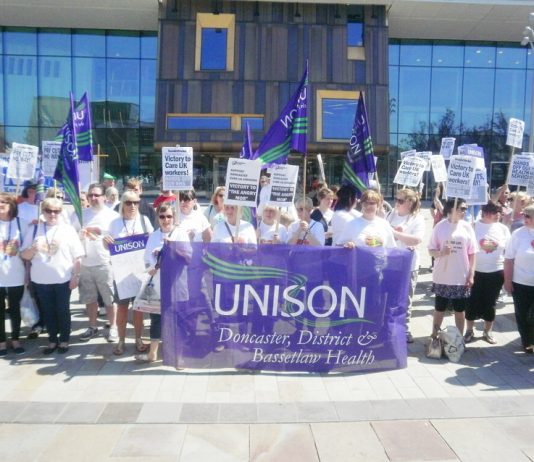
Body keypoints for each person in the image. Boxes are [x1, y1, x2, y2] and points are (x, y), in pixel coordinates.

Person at [20, 197, 84, 354]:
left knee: (62, 310)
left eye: (56, 211)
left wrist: (75, 276)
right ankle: (52, 340)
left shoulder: (68, 230)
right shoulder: (35, 229)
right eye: (48, 211)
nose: (52, 214)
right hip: (40, 279)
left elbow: (78, 256)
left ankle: (64, 340)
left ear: (61, 212)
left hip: (63, 278)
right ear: (43, 212)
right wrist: (34, 248)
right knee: (47, 311)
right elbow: (24, 255)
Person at [138, 203, 191, 362]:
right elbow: (146, 260)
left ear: (174, 218)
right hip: (158, 285)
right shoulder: (153, 236)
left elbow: (188, 258)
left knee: (178, 320)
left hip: (177, 285)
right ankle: (153, 353)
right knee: (156, 319)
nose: (166, 220)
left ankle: (179, 355)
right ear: (158, 218)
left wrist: (172, 247)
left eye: (169, 216)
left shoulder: (181, 234)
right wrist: (152, 267)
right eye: (162, 216)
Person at [106, 191, 154, 355]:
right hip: (121, 274)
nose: (132, 206)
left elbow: (152, 243)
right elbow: (108, 245)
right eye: (128, 203)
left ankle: (138, 339)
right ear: (122, 204)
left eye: (135, 202)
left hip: (140, 273)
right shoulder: (114, 223)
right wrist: (106, 241)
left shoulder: (144, 220)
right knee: (122, 308)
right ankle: (120, 340)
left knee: (139, 308)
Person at [428, 198, 477, 338]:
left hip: (460, 276)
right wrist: (441, 253)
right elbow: (431, 250)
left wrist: (471, 273)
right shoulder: (440, 226)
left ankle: (459, 338)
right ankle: (434, 336)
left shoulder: (467, 227)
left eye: (465, 209)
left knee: (459, 310)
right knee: (439, 308)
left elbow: (473, 252)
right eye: (462, 208)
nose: (464, 211)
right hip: (442, 275)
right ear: (451, 209)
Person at [78, 184, 120, 344]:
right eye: (91, 195)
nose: (93, 198)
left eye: (96, 195)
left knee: (109, 298)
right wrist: (79, 235)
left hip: (105, 263)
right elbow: (70, 234)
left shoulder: (113, 216)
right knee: (90, 298)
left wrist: (105, 236)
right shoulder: (80, 214)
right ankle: (93, 326)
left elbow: (118, 238)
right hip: (85, 263)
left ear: (104, 197)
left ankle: (114, 327)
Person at [465, 201, 510, 344]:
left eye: (500, 212)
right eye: (496, 212)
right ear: (486, 213)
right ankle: (469, 330)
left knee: (490, 302)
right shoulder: (473, 227)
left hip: (496, 271)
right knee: (472, 301)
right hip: (476, 271)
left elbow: (508, 250)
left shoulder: (503, 228)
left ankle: (487, 331)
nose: (499, 215)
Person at [386, 188, 425, 343]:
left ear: (409, 203)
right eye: (396, 199)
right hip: (390, 263)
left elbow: (416, 240)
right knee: (390, 298)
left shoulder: (417, 219)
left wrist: (394, 233)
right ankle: (388, 327)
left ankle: (405, 329)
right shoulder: (391, 215)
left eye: (400, 200)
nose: (397, 203)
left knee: (405, 300)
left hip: (408, 265)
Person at [0, 193, 28, 356]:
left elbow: (27, 249)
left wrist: (28, 274)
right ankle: (2, 342)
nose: (1, 204)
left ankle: (16, 339)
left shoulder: (21, 224)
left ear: (12, 205)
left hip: (16, 274)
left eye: (4, 202)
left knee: (15, 309)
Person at [504, 203, 534, 354]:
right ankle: (527, 341)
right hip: (521, 282)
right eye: (524, 215)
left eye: (528, 216)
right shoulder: (518, 234)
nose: (524, 218)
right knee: (522, 313)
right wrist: (507, 281)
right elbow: (508, 259)